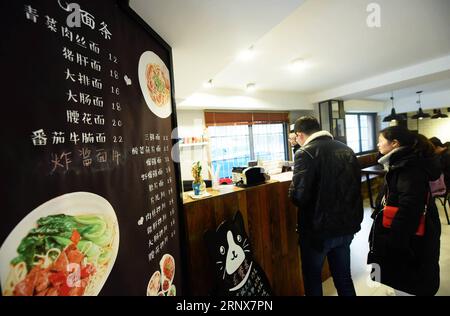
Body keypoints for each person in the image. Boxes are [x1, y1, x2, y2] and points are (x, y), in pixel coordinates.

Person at [288, 116, 363, 296]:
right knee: (344, 278)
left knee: (313, 280)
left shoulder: (304, 153)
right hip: (345, 227)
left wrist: (292, 189)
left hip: (318, 231)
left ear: (299, 135)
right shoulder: (347, 150)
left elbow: (299, 197)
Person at [367, 127, 441, 296]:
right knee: (406, 275)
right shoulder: (402, 162)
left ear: (394, 144)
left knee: (408, 276)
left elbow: (409, 208)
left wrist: (394, 240)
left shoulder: (408, 167)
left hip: (407, 234)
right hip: (408, 231)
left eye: (381, 140)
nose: (377, 143)